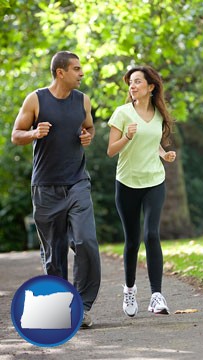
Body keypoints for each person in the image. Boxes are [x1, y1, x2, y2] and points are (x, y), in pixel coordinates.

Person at [11, 51, 101, 328]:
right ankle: (60, 307)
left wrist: (87, 136)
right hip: (46, 187)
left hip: (77, 183)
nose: (81, 73)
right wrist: (34, 134)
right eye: (76, 69)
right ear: (60, 72)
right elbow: (16, 135)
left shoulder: (82, 100)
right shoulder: (36, 99)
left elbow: (89, 127)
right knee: (54, 253)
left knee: (86, 241)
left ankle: (82, 307)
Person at [107, 65, 176, 317]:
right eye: (130, 82)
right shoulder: (122, 113)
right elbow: (111, 150)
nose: (132, 86)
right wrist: (126, 137)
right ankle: (129, 290)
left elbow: (154, 141)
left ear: (151, 87)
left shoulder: (158, 114)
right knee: (132, 240)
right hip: (126, 182)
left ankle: (157, 295)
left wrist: (164, 154)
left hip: (154, 180)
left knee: (151, 234)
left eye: (137, 82)